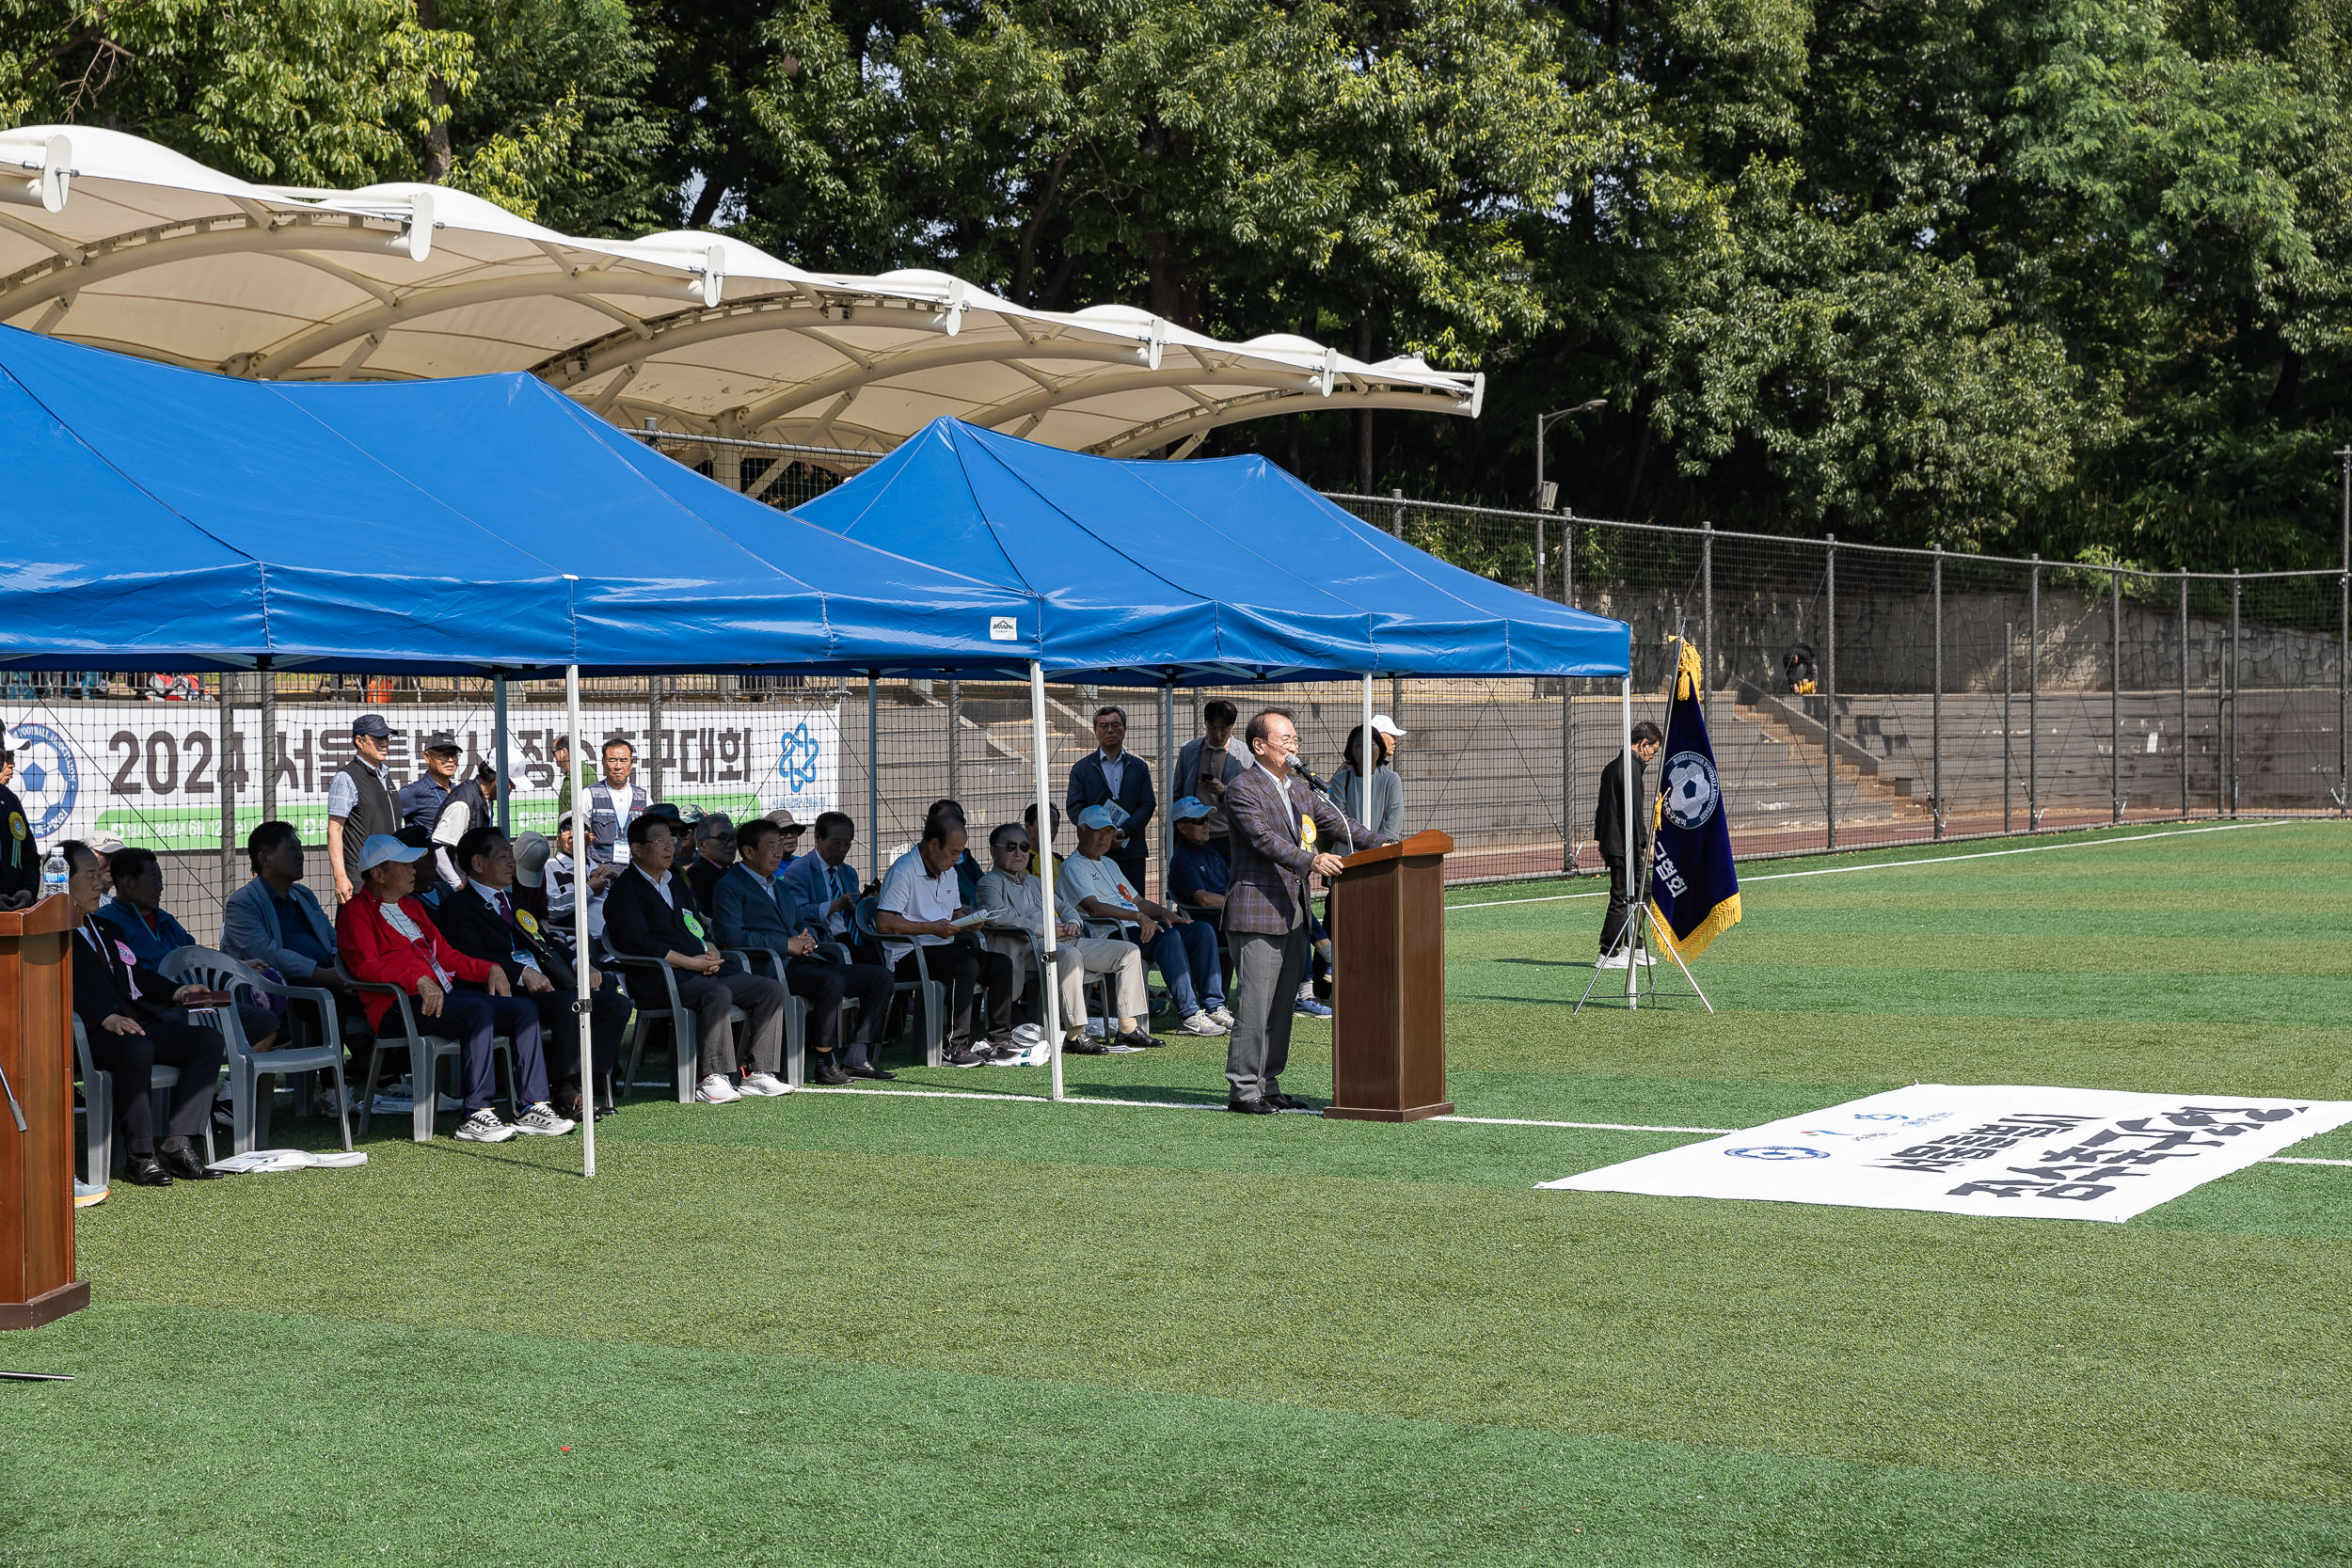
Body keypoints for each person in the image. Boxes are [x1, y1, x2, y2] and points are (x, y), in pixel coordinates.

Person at [335, 834, 572, 1142]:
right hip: (398, 1008)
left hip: (436, 999)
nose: (413, 871)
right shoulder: (356, 912)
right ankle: (475, 1114)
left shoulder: (412, 907)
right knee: (478, 1009)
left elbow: (447, 955)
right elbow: (365, 966)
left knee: (523, 1009)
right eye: (404, 865)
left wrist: (491, 968)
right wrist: (415, 979)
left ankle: (533, 1106)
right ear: (379, 874)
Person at [1222, 708, 1385, 1114]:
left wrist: (1382, 845)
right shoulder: (1243, 788)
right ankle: (1244, 1090)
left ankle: (1268, 1082)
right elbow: (1263, 840)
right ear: (1259, 746)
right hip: (1256, 911)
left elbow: (1339, 822)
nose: (1294, 746)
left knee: (1280, 1005)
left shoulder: (1299, 788)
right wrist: (1310, 862)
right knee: (1255, 1005)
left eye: (1296, 739)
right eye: (1286, 739)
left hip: (1293, 912)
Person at [438, 825, 631, 1122]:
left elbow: (545, 941)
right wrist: (520, 972)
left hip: (543, 984)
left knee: (614, 1003)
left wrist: (581, 963)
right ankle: (565, 1092)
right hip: (500, 992)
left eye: (510, 856)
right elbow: (472, 956)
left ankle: (588, 1082)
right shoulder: (457, 907)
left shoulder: (514, 900)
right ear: (477, 863)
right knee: (571, 1005)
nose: (511, 863)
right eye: (503, 856)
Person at [62, 840, 228, 1186]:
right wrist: (102, 1017)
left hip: (131, 1024)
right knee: (138, 1047)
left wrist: (176, 992)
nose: (100, 884)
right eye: (91, 876)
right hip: (85, 1033)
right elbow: (55, 986)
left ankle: (177, 1143)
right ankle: (139, 1156)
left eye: (100, 875)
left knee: (206, 1041)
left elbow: (134, 975)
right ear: (63, 880)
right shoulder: (49, 934)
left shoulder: (107, 929)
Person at [601, 813, 793, 1102]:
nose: (670, 847)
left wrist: (711, 946)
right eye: (659, 840)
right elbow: (639, 944)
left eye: (672, 840)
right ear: (637, 848)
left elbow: (696, 924)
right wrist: (690, 962)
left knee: (769, 989)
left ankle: (759, 1072)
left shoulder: (676, 881)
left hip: (700, 968)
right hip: (658, 977)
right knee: (717, 993)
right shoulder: (624, 892)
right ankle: (712, 1076)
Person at [711, 816, 896, 1085]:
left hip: (803, 959)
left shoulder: (779, 885)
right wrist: (786, 944)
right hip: (770, 967)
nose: (778, 852)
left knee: (881, 977)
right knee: (830, 981)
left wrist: (808, 939)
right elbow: (731, 936)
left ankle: (857, 1054)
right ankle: (824, 1062)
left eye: (778, 845)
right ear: (749, 851)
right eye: (771, 846)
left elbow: (798, 922)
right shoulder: (729, 886)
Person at [977, 821, 1153, 1054]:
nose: (1019, 853)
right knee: (1070, 955)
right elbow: (997, 917)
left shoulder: (1035, 882)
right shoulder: (988, 882)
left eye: (1024, 847)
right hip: (1026, 948)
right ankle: (1075, 1034)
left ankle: (1128, 1028)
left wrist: (1073, 923)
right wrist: (1046, 928)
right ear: (993, 851)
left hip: (1062, 941)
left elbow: (1066, 906)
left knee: (1128, 951)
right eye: (1011, 847)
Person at [1061, 803, 1226, 1037]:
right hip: (1110, 933)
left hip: (1135, 926)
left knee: (1200, 931)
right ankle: (1189, 1015)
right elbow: (1094, 908)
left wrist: (1163, 913)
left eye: (1108, 831)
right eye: (1097, 831)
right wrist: (1138, 917)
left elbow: (1138, 900)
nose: (1103, 837)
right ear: (1080, 832)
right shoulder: (1073, 866)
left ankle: (1213, 1006)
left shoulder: (1109, 863)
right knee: (1168, 937)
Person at [223, 820, 370, 1068]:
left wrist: (347, 972)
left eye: (300, 848)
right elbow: (268, 955)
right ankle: (331, 1091)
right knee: (327, 996)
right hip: (279, 987)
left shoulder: (303, 895)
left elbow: (333, 939)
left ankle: (380, 1073)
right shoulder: (243, 902)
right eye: (291, 849)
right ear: (265, 857)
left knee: (378, 987)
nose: (300, 855)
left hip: (330, 976)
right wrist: (325, 975)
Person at [877, 814, 1017, 1067]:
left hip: (943, 947)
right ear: (933, 845)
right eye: (953, 852)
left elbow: (954, 913)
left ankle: (999, 1038)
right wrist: (930, 928)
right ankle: (955, 1046)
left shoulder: (949, 871)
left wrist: (970, 919)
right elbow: (884, 922)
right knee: (963, 964)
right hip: (907, 956)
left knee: (1000, 964)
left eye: (960, 853)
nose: (957, 859)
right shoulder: (903, 870)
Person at [1596, 720, 1664, 967]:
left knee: (1642, 891)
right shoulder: (1630, 768)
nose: (1652, 756)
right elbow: (1633, 810)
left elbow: (1604, 809)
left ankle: (1632, 945)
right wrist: (1645, 842)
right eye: (1653, 750)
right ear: (1644, 744)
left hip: (1615, 841)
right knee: (1624, 895)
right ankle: (1608, 952)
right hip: (1623, 843)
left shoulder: (1614, 766)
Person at [1065, 705, 1155, 894]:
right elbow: (1075, 808)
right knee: (1101, 904)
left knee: (1134, 904)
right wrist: (1102, 834)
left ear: (1125, 729)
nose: (1110, 730)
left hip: (1131, 850)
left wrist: (1123, 831)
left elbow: (1148, 804)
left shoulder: (1139, 767)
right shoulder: (1081, 769)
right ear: (1096, 731)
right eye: (1104, 726)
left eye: (1116, 725)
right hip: (1094, 852)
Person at [326, 714, 399, 905]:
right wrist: (340, 877)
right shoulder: (346, 778)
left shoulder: (384, 775)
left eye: (386, 738)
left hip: (390, 876)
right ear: (359, 741)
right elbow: (335, 830)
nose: (384, 743)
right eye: (377, 738)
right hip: (361, 880)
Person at [780, 811, 866, 947]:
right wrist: (833, 906)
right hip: (828, 942)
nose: (842, 849)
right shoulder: (799, 870)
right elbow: (795, 914)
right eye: (836, 843)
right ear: (818, 838)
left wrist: (866, 903)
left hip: (857, 938)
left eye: (847, 844)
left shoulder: (849, 872)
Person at [1176, 700, 1248, 850]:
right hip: (1194, 836)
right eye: (1212, 728)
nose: (1218, 734)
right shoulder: (1189, 750)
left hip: (1230, 836)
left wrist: (1224, 791)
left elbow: (1252, 798)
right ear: (1205, 723)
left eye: (1224, 729)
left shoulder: (1246, 754)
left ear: (1233, 726)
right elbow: (1178, 793)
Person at [545, 811, 619, 951]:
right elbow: (549, 910)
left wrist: (618, 878)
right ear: (558, 839)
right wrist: (588, 890)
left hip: (618, 941)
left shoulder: (601, 868)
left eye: (579, 827)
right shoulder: (549, 867)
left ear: (591, 838)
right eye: (566, 829)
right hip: (582, 947)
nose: (572, 833)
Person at [1329, 718, 1406, 843]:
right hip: (1347, 852)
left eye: (1371, 745)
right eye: (1360, 745)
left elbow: (1393, 821)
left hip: (1381, 854)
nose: (1366, 750)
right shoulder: (1341, 780)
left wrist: (1377, 846)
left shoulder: (1391, 779)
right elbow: (1338, 821)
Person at [584, 737, 648, 866]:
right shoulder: (589, 794)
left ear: (631, 763)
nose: (618, 766)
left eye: (623, 760)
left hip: (634, 869)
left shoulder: (644, 797)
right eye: (612, 760)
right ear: (603, 762)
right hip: (599, 872)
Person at [397, 731, 462, 832]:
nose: (450, 760)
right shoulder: (412, 792)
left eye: (453, 754)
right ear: (427, 757)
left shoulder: (458, 792)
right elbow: (388, 820)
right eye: (444, 755)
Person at [684, 812, 737, 911]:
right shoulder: (697, 877)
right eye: (722, 838)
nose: (731, 844)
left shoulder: (738, 871)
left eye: (733, 838)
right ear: (701, 844)